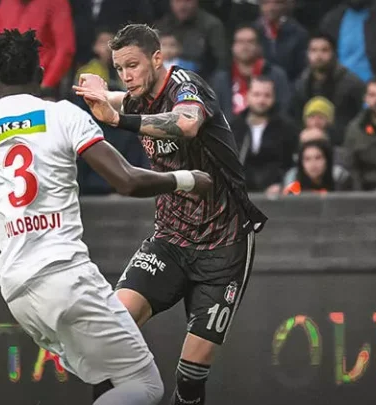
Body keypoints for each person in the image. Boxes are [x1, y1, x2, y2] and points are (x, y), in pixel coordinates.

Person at [0, 29, 214, 405]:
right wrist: (187, 179)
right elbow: (126, 181)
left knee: (112, 379)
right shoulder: (63, 116)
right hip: (66, 277)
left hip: (18, 292)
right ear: (41, 73)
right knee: (145, 385)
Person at [74, 23, 267, 405]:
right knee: (111, 336)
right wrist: (99, 93)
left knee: (190, 376)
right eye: (119, 68)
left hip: (223, 245)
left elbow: (187, 123)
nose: (127, 76)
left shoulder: (185, 85)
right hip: (170, 240)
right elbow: (120, 99)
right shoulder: (136, 96)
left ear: (157, 58)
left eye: (133, 65)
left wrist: (116, 119)